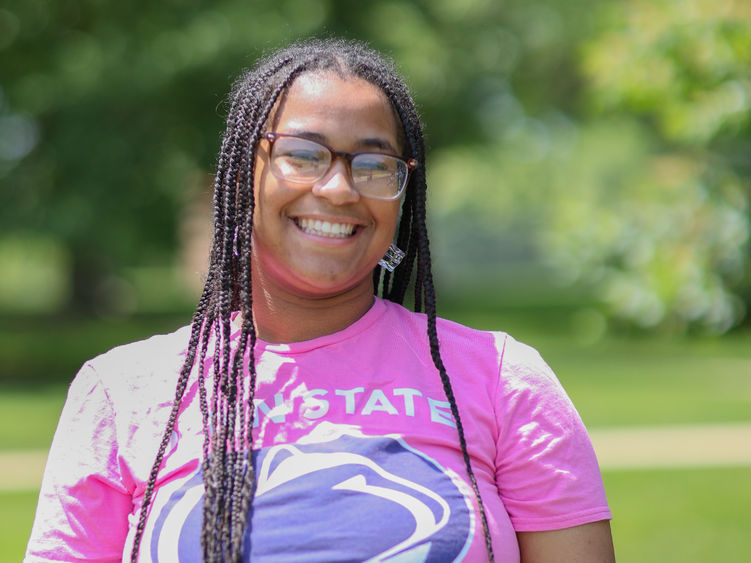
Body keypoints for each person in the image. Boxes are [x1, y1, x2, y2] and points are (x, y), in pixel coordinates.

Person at [25, 38, 614, 562]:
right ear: (240, 176)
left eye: (374, 164)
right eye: (302, 155)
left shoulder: (501, 381)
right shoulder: (121, 392)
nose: (337, 188)